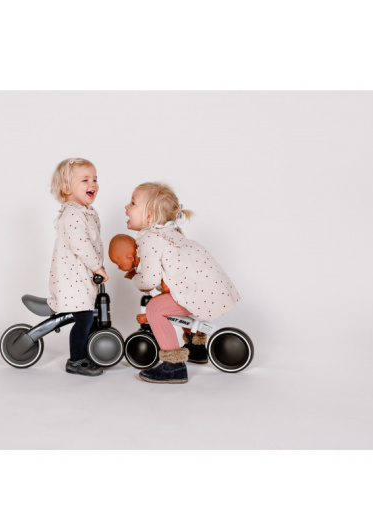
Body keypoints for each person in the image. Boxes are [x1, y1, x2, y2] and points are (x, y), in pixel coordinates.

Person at [122, 182, 240, 384]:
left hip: (193, 292)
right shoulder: (171, 231)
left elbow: (149, 279)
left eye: (132, 203)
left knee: (155, 308)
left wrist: (135, 277)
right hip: (202, 288)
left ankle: (174, 366)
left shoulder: (150, 238)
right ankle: (196, 347)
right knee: (178, 303)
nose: (126, 207)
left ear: (149, 216)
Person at [47, 158, 108, 377]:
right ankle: (76, 360)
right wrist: (97, 267)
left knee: (88, 316)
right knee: (84, 318)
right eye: (85, 180)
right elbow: (80, 245)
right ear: (66, 188)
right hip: (73, 280)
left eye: (95, 179)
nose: (93, 184)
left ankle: (88, 351)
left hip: (82, 278)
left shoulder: (85, 211)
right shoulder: (73, 214)